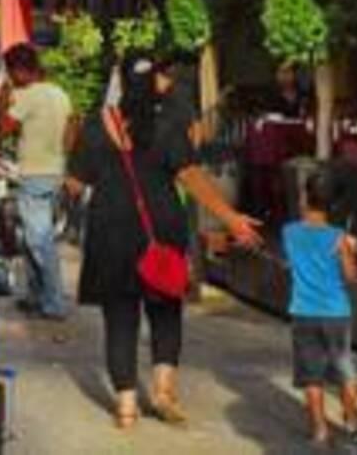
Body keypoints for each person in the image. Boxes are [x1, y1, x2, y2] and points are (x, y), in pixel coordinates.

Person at [66, 58, 262, 430]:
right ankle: (163, 392)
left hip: (110, 233)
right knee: (165, 311)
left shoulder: (95, 126)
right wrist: (231, 218)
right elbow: (191, 176)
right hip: (160, 229)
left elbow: (75, 184)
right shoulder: (167, 125)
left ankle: (126, 406)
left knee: (120, 318)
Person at [283, 172, 357, 446]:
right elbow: (351, 276)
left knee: (311, 376)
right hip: (336, 313)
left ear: (305, 198)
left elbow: (292, 260)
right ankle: (352, 422)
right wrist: (350, 250)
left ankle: (320, 430)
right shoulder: (339, 237)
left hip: (303, 311)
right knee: (344, 370)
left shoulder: (289, 232)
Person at [0, 43, 73, 321]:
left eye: (9, 71)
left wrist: (2, 100)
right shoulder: (60, 93)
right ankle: (36, 295)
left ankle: (53, 302)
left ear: (19, 70)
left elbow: (3, 130)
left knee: (39, 239)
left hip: (34, 173)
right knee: (34, 236)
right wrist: (63, 158)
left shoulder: (26, 95)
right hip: (54, 171)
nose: (9, 77)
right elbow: (73, 126)